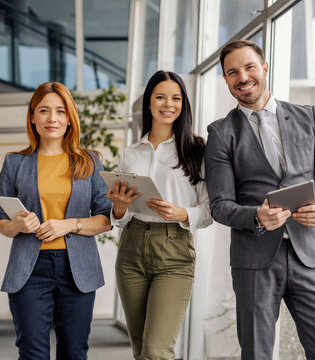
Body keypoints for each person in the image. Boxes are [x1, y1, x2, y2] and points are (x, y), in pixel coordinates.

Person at [204, 40, 315, 360]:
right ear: (226, 79)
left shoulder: (308, 117)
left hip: (310, 256)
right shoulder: (220, 133)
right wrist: (256, 216)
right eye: (232, 72)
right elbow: (220, 205)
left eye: (249, 67)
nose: (242, 77)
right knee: (256, 354)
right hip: (254, 261)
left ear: (265, 68)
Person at [0, 82, 112, 360]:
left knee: (74, 353)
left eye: (60, 111)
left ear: (70, 118)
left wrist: (70, 224)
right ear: (33, 116)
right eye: (44, 110)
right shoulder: (14, 163)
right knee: (31, 353)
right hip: (29, 270)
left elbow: (105, 219)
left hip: (77, 271)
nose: (52, 118)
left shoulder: (90, 161)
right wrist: (18, 225)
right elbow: (2, 221)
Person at [107, 70, 212, 359]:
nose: (169, 104)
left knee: (156, 351)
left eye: (176, 98)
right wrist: (119, 208)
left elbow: (209, 209)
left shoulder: (197, 149)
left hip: (174, 252)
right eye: (161, 97)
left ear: (183, 105)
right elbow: (122, 218)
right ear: (149, 103)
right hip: (131, 249)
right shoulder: (131, 153)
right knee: (141, 349)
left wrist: (182, 213)